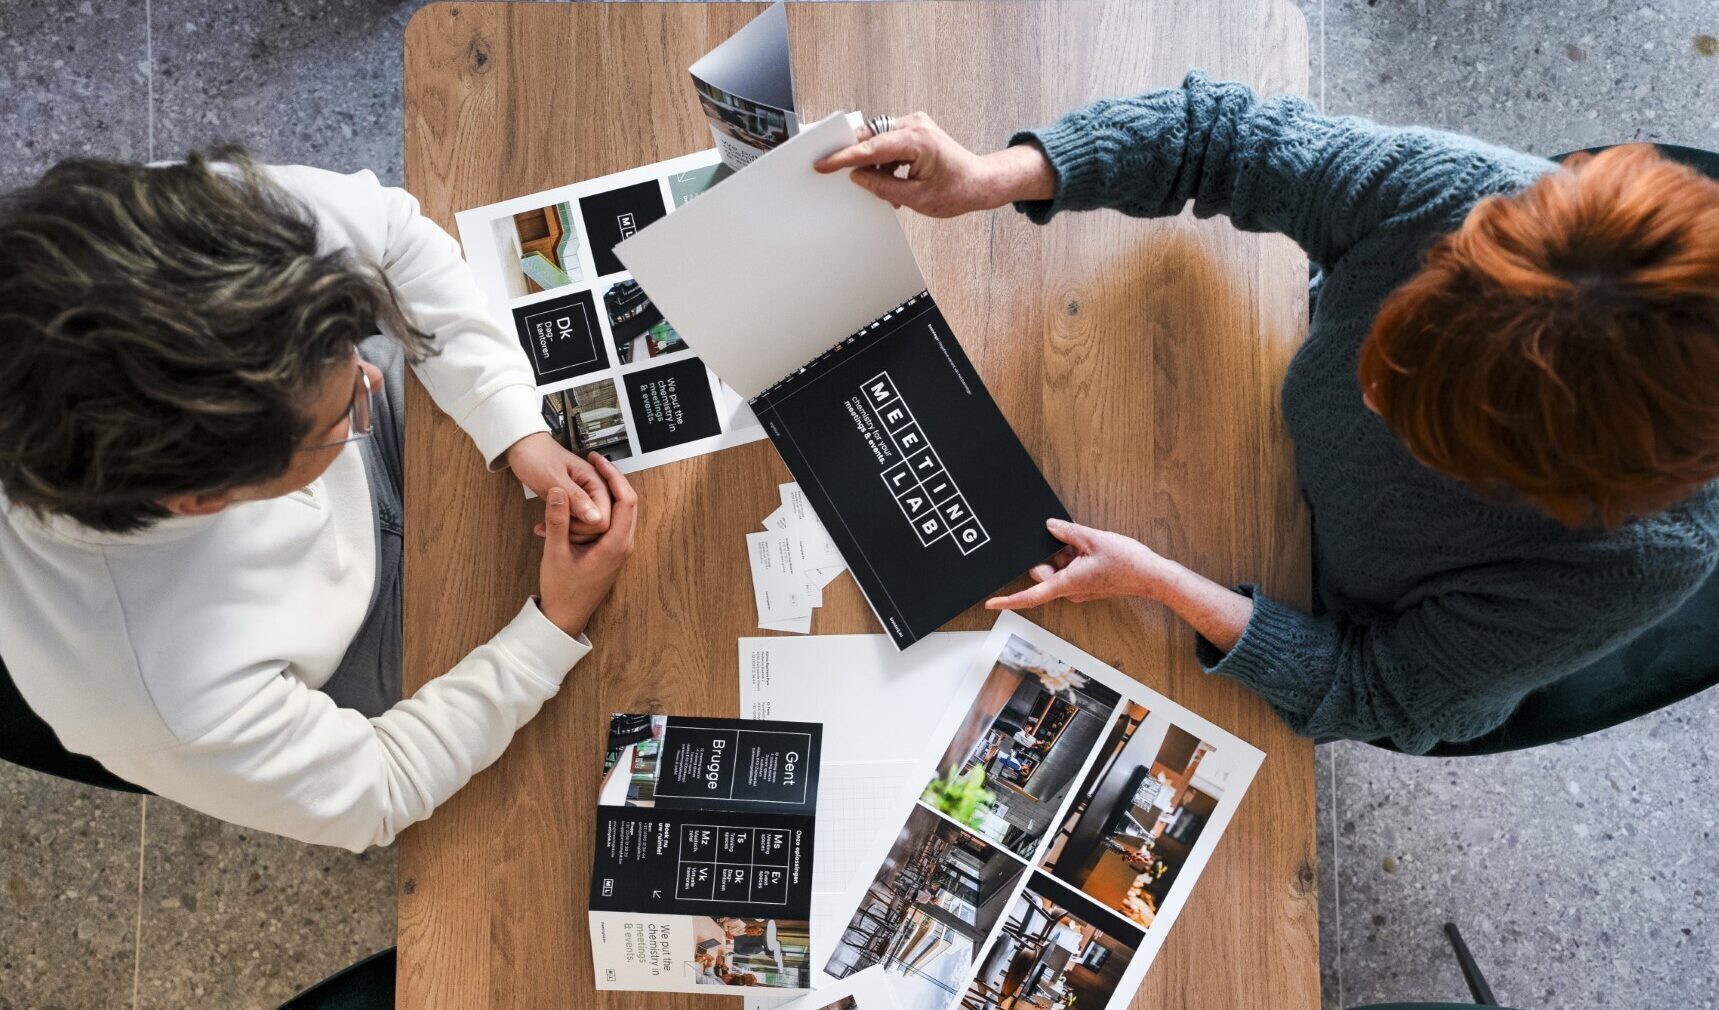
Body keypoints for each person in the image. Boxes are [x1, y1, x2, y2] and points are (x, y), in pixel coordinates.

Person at [816, 74, 1719, 753]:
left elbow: (1384, 696)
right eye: (1389, 348)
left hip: (1301, 589)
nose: (1365, 393)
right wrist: (993, 175)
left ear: (1557, 483)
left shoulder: (1630, 563)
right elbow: (1220, 137)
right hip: (1225, 415)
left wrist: (1162, 583)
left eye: (1423, 429)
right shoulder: (1474, 199)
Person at [0, 148, 637, 850]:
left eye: (347, 351)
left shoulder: (173, 237)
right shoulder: (156, 695)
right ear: (207, 500)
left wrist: (509, 419)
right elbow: (384, 785)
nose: (370, 375)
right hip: (352, 642)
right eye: (342, 416)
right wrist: (551, 625)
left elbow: (392, 234)